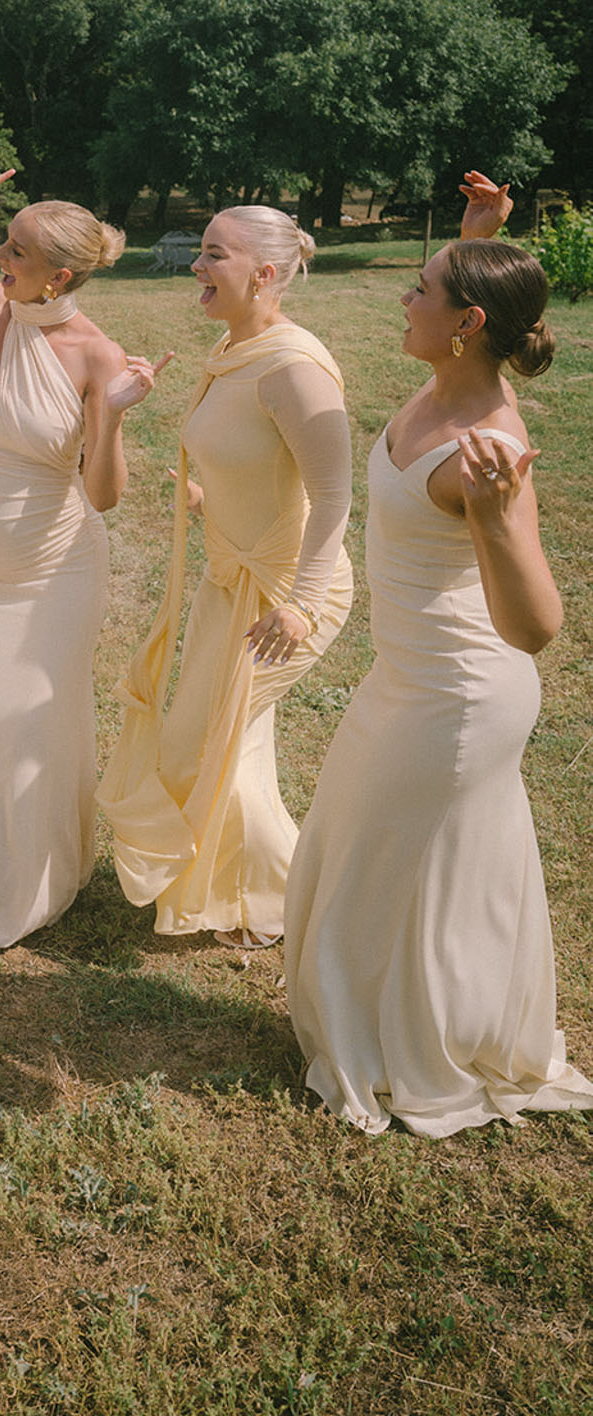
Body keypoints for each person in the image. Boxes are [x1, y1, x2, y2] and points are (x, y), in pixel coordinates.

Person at [284, 181, 593, 1135]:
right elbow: (473, 300)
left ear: (465, 326)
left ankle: (423, 1042)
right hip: (405, 679)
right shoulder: (454, 372)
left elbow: (537, 627)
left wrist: (500, 523)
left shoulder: (482, 451)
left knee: (395, 863)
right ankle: (397, 1017)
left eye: (419, 290)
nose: (402, 300)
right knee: (382, 857)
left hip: (462, 693)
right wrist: (475, 240)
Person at [0, 147, 172, 948]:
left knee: (29, 719)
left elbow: (102, 493)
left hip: (51, 567)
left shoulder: (95, 354)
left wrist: (114, 413)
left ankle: (33, 878)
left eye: (16, 251)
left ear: (58, 278)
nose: (0, 259)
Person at [98, 205, 352, 947]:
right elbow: (250, 454)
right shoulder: (233, 346)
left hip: (286, 593)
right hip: (229, 581)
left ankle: (302, 899)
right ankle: (252, 895)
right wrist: (212, 497)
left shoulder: (294, 368)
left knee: (203, 745)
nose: (196, 267)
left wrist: (302, 604)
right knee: (232, 744)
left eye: (213, 255)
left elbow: (333, 493)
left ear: (264, 275)